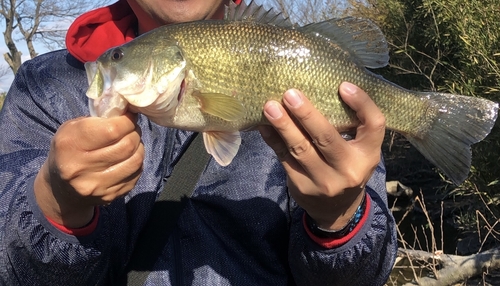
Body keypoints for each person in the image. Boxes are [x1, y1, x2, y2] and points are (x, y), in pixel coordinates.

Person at [0, 0, 397, 285]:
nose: (112, 62)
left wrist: (339, 220)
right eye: (118, 57)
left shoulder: (290, 55)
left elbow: (363, 276)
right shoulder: (44, 88)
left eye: (119, 58)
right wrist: (53, 202)